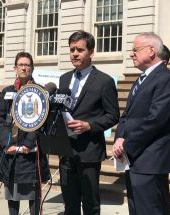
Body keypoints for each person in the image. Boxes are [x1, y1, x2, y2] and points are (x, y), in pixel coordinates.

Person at [112, 32, 170, 215]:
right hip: (135, 159)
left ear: (151, 51)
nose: (131, 54)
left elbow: (155, 120)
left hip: (151, 160)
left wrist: (127, 143)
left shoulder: (166, 79)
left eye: (135, 49)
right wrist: (119, 137)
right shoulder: (142, 79)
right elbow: (126, 116)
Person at [58, 30, 120, 215]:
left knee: (91, 204)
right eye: (72, 50)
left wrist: (89, 125)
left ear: (91, 52)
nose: (75, 54)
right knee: (70, 203)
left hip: (89, 152)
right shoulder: (64, 79)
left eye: (80, 49)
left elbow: (113, 115)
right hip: (66, 151)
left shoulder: (104, 81)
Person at [0, 51, 51, 215]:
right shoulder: (7, 92)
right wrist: (7, 143)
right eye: (21, 65)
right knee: (12, 192)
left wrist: (28, 143)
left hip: (31, 150)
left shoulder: (41, 92)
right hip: (11, 150)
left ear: (32, 68)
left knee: (33, 193)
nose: (24, 68)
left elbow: (41, 120)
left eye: (27, 65)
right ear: (15, 68)